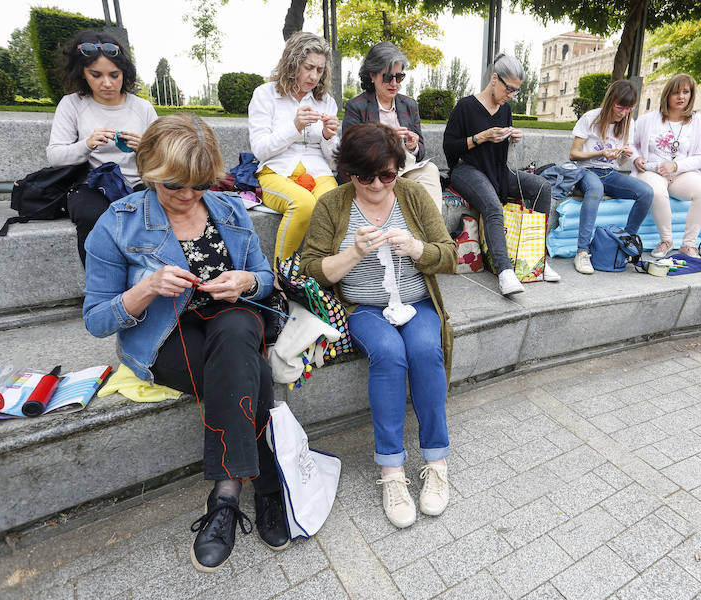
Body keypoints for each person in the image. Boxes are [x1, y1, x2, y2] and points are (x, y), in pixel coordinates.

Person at [82, 114, 287, 572]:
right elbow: (96, 319)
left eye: (199, 184)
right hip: (164, 337)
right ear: (151, 171)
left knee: (236, 330)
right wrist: (146, 288)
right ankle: (269, 483)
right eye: (175, 186)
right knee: (245, 366)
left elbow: (267, 281)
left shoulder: (229, 209)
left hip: (231, 321)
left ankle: (225, 497)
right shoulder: (118, 223)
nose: (190, 195)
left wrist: (246, 280)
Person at [300, 123, 456, 529]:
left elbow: (449, 255)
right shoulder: (333, 204)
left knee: (425, 350)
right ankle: (392, 472)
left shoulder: (413, 195)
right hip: (364, 307)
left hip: (418, 302)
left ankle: (436, 462)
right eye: (364, 176)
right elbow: (311, 269)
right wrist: (353, 252)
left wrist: (418, 248)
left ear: (398, 170)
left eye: (386, 175)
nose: (375, 185)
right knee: (388, 353)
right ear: (349, 172)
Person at [443, 53, 559, 295]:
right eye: (509, 89)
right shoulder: (466, 106)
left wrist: (512, 137)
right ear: (494, 79)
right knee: (493, 206)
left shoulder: (505, 109)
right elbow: (450, 148)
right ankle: (505, 271)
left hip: (496, 170)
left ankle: (537, 258)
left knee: (542, 187)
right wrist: (481, 137)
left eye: (516, 91)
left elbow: (499, 155)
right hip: (466, 170)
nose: (511, 95)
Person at [47, 30, 157, 264]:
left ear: (124, 73)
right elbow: (55, 156)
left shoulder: (142, 107)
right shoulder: (73, 104)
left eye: (114, 75)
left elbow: (167, 156)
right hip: (90, 185)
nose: (106, 83)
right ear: (82, 73)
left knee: (152, 211)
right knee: (91, 216)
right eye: (95, 75)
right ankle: (101, 290)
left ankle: (149, 280)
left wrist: (144, 148)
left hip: (138, 182)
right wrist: (86, 145)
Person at [248, 31, 340, 262]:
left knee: (333, 204)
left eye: (319, 70)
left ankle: (320, 271)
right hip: (276, 169)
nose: (313, 76)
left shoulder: (326, 101)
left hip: (318, 171)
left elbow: (334, 160)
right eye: (308, 67)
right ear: (292, 63)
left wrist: (329, 137)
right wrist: (295, 126)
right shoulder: (265, 94)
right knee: (303, 204)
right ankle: (283, 276)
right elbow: (260, 149)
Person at [342, 42, 443, 211]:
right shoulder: (356, 106)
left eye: (400, 77)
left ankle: (435, 232)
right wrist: (385, 138)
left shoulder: (409, 105)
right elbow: (349, 152)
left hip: (405, 168)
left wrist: (413, 146)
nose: (394, 83)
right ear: (372, 75)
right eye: (388, 77)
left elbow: (421, 151)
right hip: (373, 172)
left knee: (431, 170)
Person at [569, 80, 653, 274]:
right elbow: (573, 155)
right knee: (595, 189)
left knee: (646, 192)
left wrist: (624, 155)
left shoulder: (628, 123)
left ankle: (625, 243)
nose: (623, 113)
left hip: (610, 173)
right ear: (610, 101)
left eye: (629, 109)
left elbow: (620, 164)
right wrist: (600, 154)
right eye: (619, 107)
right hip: (586, 170)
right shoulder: (591, 118)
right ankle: (582, 252)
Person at [633, 73, 701, 258]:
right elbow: (631, 144)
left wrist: (675, 166)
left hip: (681, 172)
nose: (681, 97)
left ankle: (689, 244)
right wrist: (636, 158)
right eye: (676, 92)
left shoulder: (698, 121)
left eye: (686, 92)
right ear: (667, 95)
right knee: (657, 192)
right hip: (652, 170)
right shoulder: (647, 119)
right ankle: (666, 241)